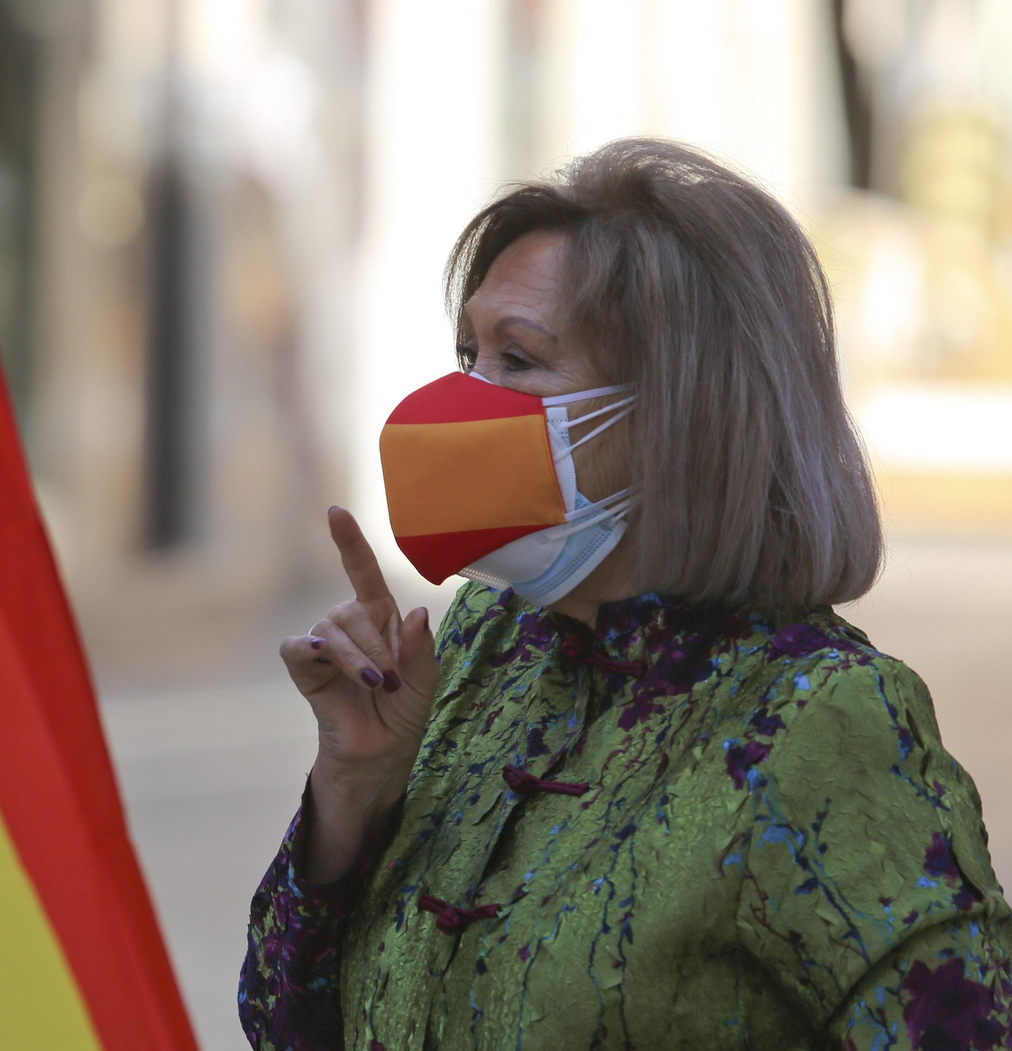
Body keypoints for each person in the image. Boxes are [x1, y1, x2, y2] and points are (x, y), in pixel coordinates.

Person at [238, 139, 1012, 1050]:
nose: (463, 398)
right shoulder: (490, 643)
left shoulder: (820, 719)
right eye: (468, 353)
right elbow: (285, 1022)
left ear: (677, 411)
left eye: (517, 358)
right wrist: (353, 787)